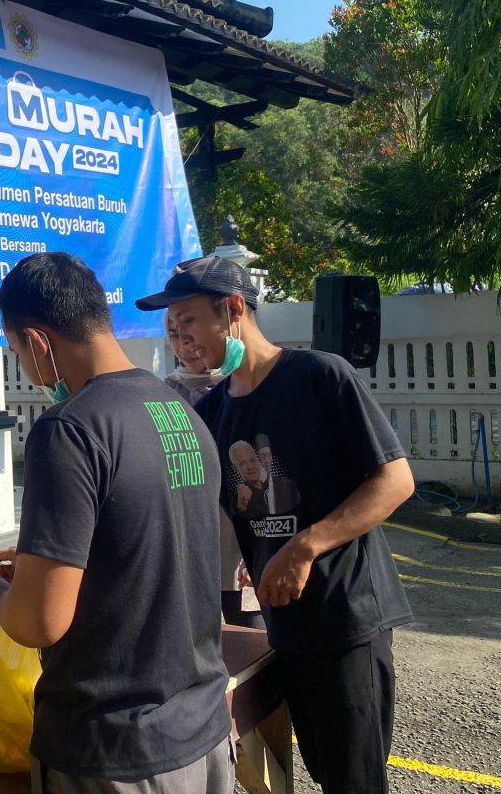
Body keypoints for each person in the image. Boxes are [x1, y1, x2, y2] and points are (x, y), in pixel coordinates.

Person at [0, 253, 234, 794]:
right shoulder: (180, 410)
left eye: (15, 351)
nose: (23, 367)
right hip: (204, 729)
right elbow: (146, 548)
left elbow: (39, 622)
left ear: (39, 341)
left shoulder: (68, 430)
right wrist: (33, 571)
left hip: (113, 748)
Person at [136, 255, 414, 794]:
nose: (179, 339)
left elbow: (395, 481)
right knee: (304, 767)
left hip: (345, 620)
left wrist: (305, 545)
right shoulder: (214, 410)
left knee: (353, 779)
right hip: (279, 626)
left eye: (189, 321)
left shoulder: (320, 376)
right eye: (171, 329)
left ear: (234, 309)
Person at [167, 313, 264, 629]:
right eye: (173, 335)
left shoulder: (244, 389)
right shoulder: (163, 395)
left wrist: (262, 551)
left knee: (253, 637)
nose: (184, 345)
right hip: (192, 550)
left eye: (189, 331)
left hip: (241, 550)